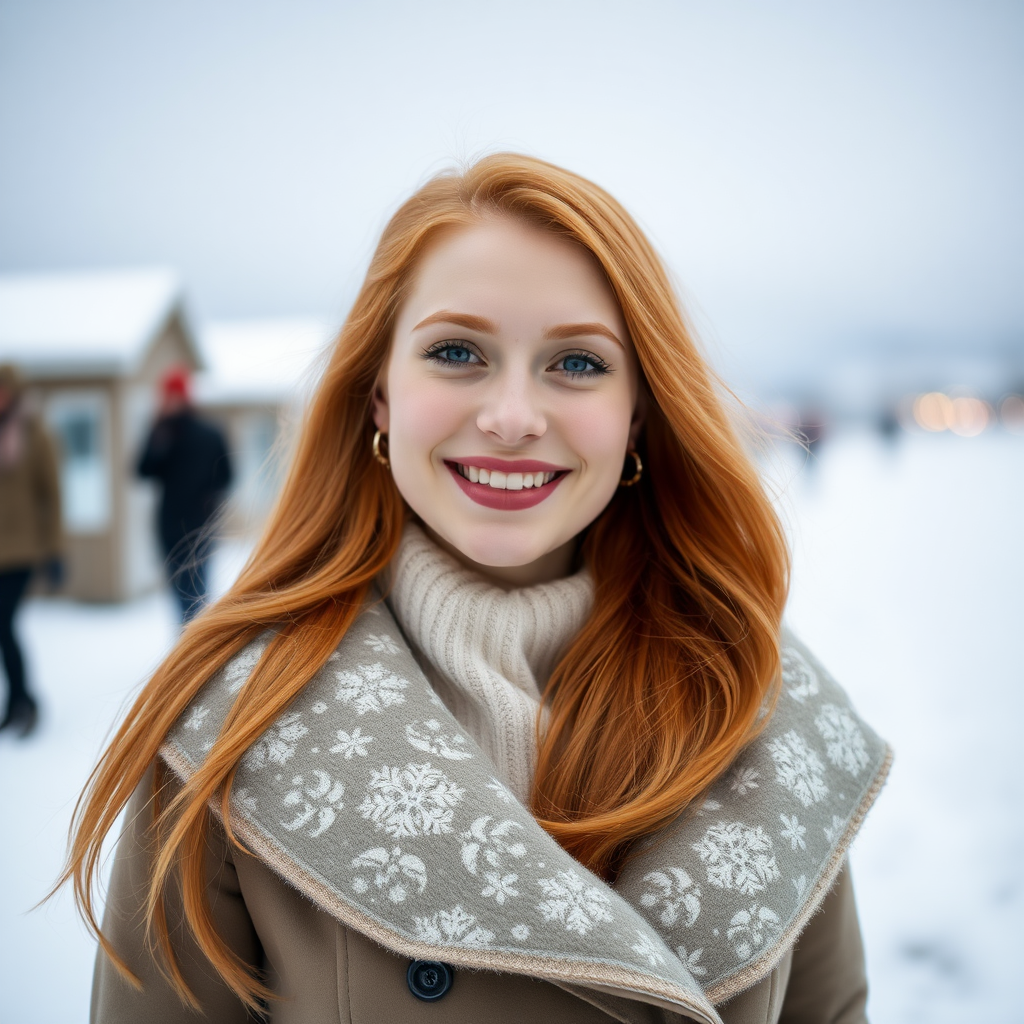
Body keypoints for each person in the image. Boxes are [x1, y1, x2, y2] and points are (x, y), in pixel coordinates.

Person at [62, 155, 891, 1023]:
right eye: (457, 352)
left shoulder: (762, 705)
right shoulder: (234, 725)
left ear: (639, 412)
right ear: (380, 392)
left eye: (576, 363)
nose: (511, 416)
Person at [137, 367, 232, 622]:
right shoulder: (163, 434)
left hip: (199, 527)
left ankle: (196, 651)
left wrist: (207, 498)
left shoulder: (208, 434)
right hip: (171, 529)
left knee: (195, 597)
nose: (166, 403)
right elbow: (142, 470)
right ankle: (190, 650)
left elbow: (227, 476)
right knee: (183, 598)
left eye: (171, 396)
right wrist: (157, 432)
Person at [0, 364, 63, 737]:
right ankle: (16, 702)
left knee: (4, 623)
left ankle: (25, 701)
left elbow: (51, 495)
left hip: (23, 549)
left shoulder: (34, 433)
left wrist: (54, 550)